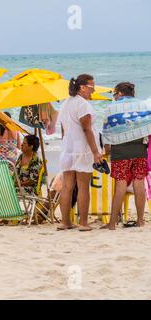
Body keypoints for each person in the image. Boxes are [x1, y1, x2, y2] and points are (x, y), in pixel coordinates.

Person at [56, 74, 103, 231]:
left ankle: (65, 222)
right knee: (83, 187)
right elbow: (86, 129)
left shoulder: (65, 104)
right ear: (82, 87)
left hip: (68, 149)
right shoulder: (83, 105)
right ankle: (83, 223)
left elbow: (63, 129)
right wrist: (96, 151)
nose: (93, 90)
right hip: (82, 149)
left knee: (67, 186)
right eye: (91, 86)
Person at [102, 82, 148, 230]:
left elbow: (107, 132)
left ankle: (112, 223)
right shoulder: (144, 106)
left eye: (115, 94)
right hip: (140, 149)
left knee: (120, 184)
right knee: (139, 183)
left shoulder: (111, 108)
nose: (114, 97)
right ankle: (141, 220)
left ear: (120, 93)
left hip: (120, 151)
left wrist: (107, 150)